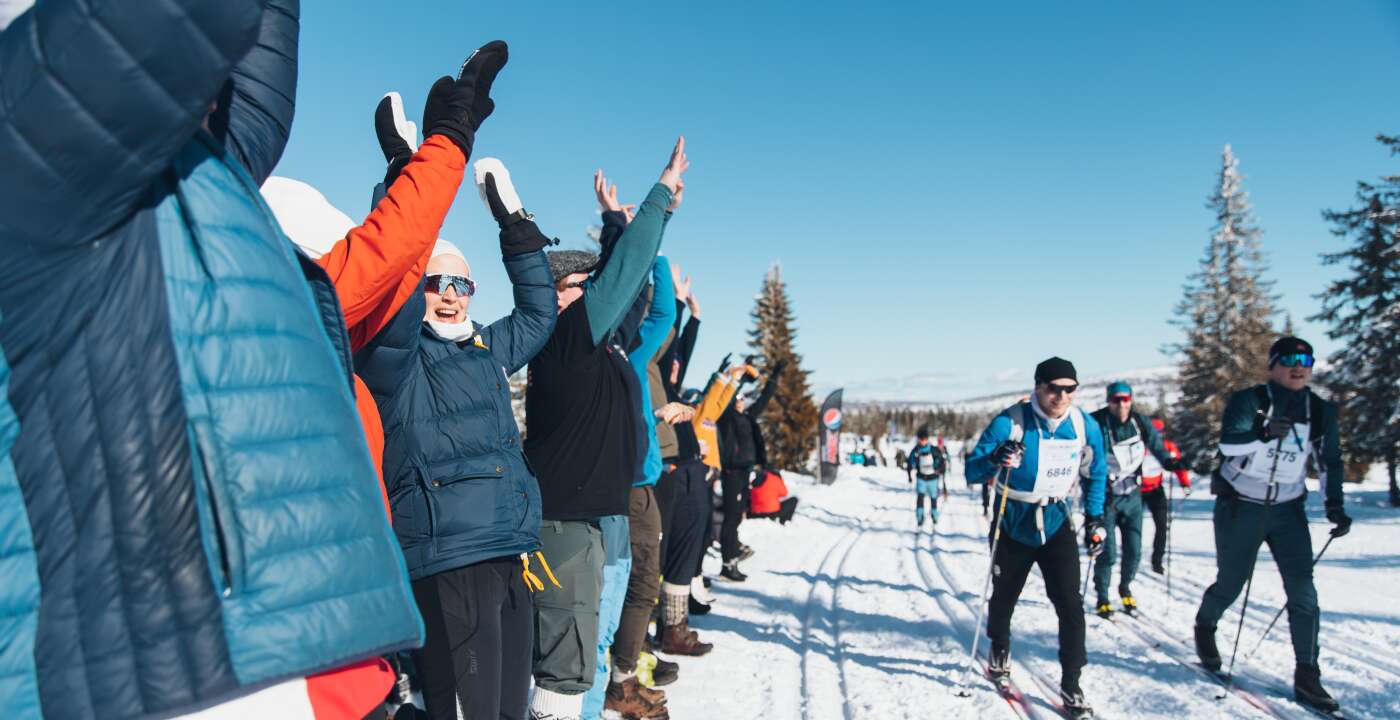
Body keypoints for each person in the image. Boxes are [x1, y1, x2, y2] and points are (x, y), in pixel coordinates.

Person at [0, 3, 423, 717]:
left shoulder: (179, 183)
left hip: (282, 651)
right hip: (191, 667)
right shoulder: (29, 134)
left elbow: (252, 95)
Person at [524, 139, 688, 720]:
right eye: (581, 284)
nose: (593, 290)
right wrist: (659, 197)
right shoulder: (563, 340)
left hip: (603, 515)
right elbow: (619, 278)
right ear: (557, 296)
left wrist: (618, 223)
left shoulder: (606, 350)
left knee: (589, 652)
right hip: (564, 526)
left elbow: (628, 287)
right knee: (567, 663)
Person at [1193, 337, 1352, 716]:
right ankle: (1205, 625)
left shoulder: (1320, 409)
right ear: (1273, 365)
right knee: (1231, 583)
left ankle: (1308, 674)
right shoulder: (1251, 400)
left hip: (1288, 510)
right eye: (1290, 360)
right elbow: (1229, 445)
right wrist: (1262, 433)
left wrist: (1335, 506)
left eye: (1306, 360)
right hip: (1241, 506)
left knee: (1304, 593)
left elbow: (1329, 459)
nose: (1299, 367)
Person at [964, 357, 1107, 720]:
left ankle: (1072, 683)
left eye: (1069, 389)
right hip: (1013, 520)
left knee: (1070, 605)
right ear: (1038, 386)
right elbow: (972, 470)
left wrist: (1095, 518)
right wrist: (997, 457)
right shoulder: (1010, 422)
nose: (1061, 396)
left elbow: (1096, 472)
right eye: (1053, 388)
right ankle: (999, 647)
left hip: (1057, 520)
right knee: (1005, 596)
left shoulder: (1083, 424)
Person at [1085, 382, 1186, 618]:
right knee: (1107, 551)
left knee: (1134, 549)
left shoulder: (1139, 422)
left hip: (1133, 495)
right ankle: (1102, 596)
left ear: (1131, 400)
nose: (1121, 404)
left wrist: (1169, 462)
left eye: (1125, 399)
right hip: (1106, 495)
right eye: (1116, 400)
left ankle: (1125, 587)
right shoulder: (1097, 422)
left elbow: (1157, 446)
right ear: (1109, 400)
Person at [716, 360, 786, 581]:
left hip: (744, 472)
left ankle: (732, 559)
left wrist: (774, 376)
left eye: (742, 399)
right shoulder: (727, 418)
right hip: (732, 472)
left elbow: (764, 399)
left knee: (736, 517)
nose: (740, 401)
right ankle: (728, 565)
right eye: (737, 398)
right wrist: (741, 379)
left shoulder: (746, 417)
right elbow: (724, 398)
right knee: (731, 518)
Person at [1140, 417, 1191, 574]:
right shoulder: (1138, 446)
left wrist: (1185, 483)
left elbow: (1178, 466)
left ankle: (1157, 561)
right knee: (1133, 525)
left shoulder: (1168, 447)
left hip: (1156, 489)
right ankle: (1131, 555)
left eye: (1158, 432)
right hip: (1136, 490)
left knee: (1162, 526)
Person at [907, 425, 950, 529]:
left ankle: (934, 516)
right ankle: (920, 517)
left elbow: (941, 462)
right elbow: (910, 463)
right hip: (921, 478)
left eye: (924, 439)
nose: (922, 441)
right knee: (920, 498)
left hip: (933, 479)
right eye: (920, 439)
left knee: (933, 498)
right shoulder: (916, 451)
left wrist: (940, 469)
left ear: (927, 439)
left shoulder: (934, 450)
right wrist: (909, 474)